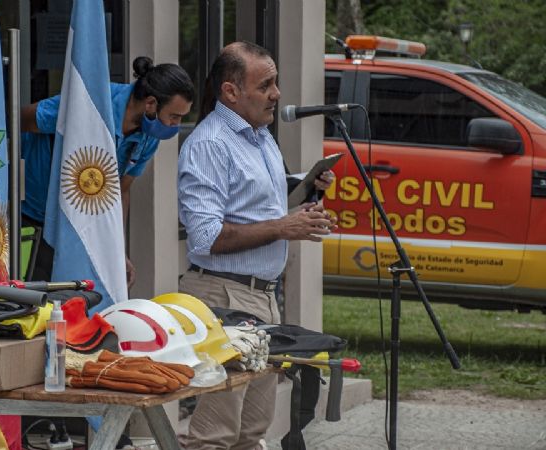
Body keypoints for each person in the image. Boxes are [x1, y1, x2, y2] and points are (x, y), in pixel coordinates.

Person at [177, 41, 337, 450]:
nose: (277, 94)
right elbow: (207, 236)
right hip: (223, 295)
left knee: (252, 430)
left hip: (261, 297)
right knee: (216, 433)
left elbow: (256, 205)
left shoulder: (261, 136)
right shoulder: (211, 144)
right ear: (230, 92)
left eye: (276, 83)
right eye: (266, 85)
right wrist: (285, 226)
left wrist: (304, 189)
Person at [20, 56, 194, 287]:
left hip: (80, 225)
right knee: (30, 299)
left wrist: (117, 252)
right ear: (151, 104)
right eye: (174, 116)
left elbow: (121, 191)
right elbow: (20, 120)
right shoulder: (92, 101)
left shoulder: (148, 136)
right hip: (31, 215)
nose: (175, 125)